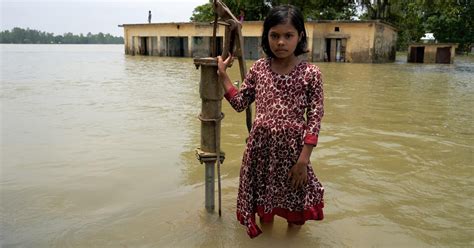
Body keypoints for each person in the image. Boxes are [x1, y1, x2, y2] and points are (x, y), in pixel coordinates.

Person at [217, 5, 324, 238]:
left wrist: (303, 161)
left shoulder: (311, 73)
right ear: (267, 37)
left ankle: (288, 243)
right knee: (264, 209)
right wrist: (223, 76)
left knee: (296, 209)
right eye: (274, 35)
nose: (281, 42)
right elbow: (240, 103)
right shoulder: (259, 69)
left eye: (288, 35)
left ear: (300, 37)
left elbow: (314, 119)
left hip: (294, 155)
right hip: (260, 153)